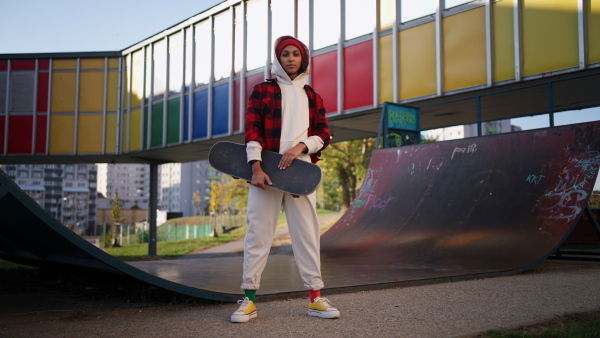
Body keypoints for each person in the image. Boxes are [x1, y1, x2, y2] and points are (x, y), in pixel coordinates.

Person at [230, 36, 340, 323]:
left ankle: (316, 298)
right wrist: (255, 166)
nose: (291, 58)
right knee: (258, 233)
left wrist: (300, 147)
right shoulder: (263, 91)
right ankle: (249, 299)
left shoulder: (312, 96)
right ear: (278, 59)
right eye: (285, 54)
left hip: (300, 174)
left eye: (296, 54)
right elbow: (252, 129)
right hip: (265, 172)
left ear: (303, 59)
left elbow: (324, 134)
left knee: (306, 234)